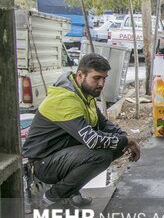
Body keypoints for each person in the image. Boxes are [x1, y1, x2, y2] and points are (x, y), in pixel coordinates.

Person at [22, 53, 141, 207]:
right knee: (101, 155)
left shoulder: (85, 95)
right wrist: (127, 140)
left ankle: (71, 192)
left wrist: (122, 137)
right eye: (96, 78)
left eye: (104, 78)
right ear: (80, 75)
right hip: (43, 163)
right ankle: (52, 197)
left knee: (116, 147)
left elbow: (104, 124)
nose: (101, 83)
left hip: (62, 154)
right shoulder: (65, 99)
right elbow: (92, 140)